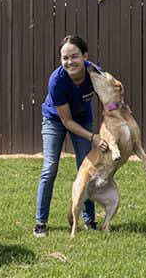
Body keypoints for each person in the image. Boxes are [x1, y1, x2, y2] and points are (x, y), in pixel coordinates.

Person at [33, 35, 108, 237]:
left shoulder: (94, 73)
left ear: (85, 56)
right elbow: (66, 122)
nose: (69, 62)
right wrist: (93, 137)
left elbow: (112, 91)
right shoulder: (56, 81)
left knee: (87, 168)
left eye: (74, 56)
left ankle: (89, 220)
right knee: (50, 168)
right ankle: (40, 223)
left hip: (83, 117)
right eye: (64, 57)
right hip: (55, 120)